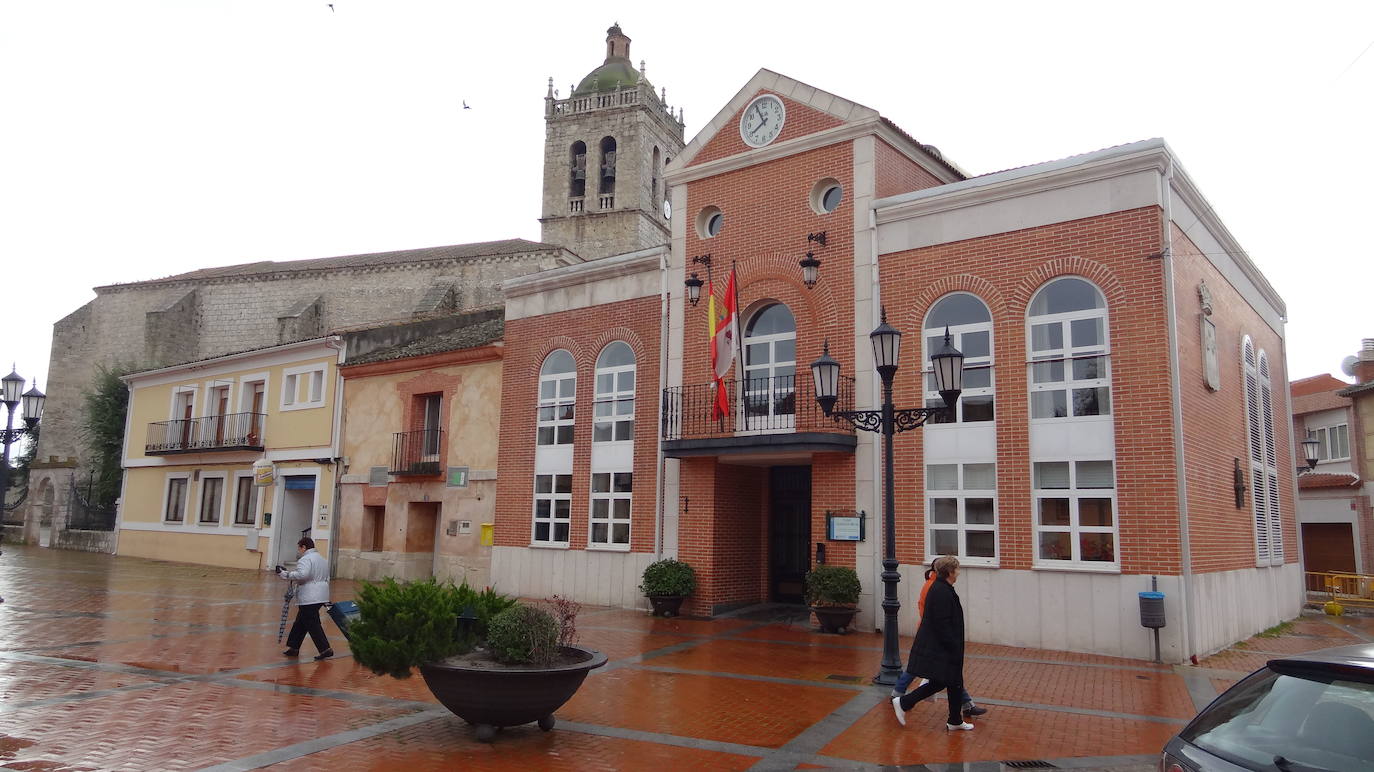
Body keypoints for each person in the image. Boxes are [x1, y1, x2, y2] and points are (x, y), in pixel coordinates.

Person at [890, 562, 987, 717]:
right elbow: (934, 614)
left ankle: (963, 709)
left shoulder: (937, 585)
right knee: (930, 672)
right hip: (932, 637)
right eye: (956, 569)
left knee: (945, 674)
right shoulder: (936, 587)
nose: (959, 572)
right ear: (947, 571)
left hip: (932, 635)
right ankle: (900, 697)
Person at [278, 536, 333, 660]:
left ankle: (325, 649)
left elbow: (303, 575)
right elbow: (326, 577)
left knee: (312, 623)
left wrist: (286, 574)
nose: (298, 551)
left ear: (304, 547)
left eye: (299, 548)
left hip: (309, 596)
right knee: (301, 621)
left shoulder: (306, 559)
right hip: (321, 595)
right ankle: (294, 647)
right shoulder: (322, 559)